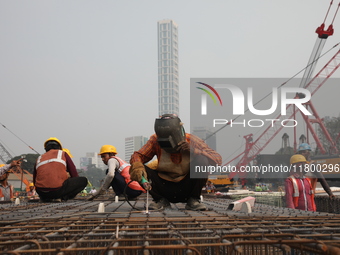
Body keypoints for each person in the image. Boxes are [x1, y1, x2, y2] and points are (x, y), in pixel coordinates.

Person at [129, 114, 222, 211]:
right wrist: (137, 167)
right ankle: (160, 200)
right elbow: (137, 156)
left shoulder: (191, 140)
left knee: (202, 160)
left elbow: (217, 159)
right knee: (137, 167)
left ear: (180, 131)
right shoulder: (155, 140)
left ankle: (193, 200)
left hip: (187, 186)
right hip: (164, 187)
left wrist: (194, 151)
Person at [33, 137, 88, 202]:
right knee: (83, 180)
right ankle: (63, 197)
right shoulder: (63, 154)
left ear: (45, 148)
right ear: (59, 147)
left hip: (41, 192)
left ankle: (45, 198)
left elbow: (35, 179)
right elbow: (74, 173)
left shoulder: (39, 157)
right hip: (57, 191)